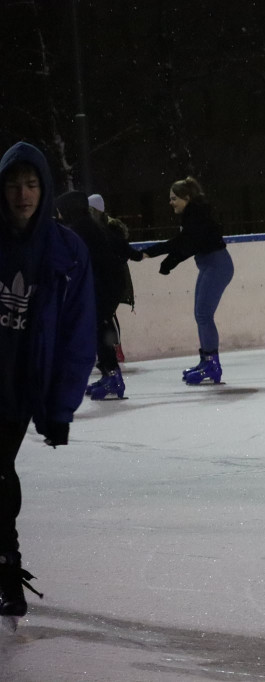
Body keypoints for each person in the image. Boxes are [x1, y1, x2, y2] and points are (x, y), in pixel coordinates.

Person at [0, 142, 96, 625]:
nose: (23, 194)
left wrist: (59, 410)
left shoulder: (66, 250)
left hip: (19, 387)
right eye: (14, 184)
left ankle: (7, 568)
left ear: (45, 188)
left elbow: (77, 336)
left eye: (32, 184)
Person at [140, 176, 234, 384]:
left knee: (203, 314)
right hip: (211, 265)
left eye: (174, 198)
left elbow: (184, 244)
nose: (170, 202)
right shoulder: (194, 215)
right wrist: (167, 261)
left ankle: (212, 366)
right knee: (200, 314)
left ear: (187, 197)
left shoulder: (197, 215)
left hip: (217, 266)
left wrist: (157, 256)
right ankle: (206, 361)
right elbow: (186, 244)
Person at [56, 191, 141, 400]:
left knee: (96, 328)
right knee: (97, 328)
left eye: (60, 211)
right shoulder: (86, 225)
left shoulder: (80, 228)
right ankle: (109, 375)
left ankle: (112, 377)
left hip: (104, 286)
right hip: (105, 285)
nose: (58, 215)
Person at [88, 193, 138, 366]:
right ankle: (107, 350)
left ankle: (116, 348)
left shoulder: (109, 228)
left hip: (113, 277)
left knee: (107, 314)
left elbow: (121, 251)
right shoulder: (94, 227)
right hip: (103, 277)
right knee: (103, 315)